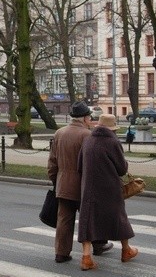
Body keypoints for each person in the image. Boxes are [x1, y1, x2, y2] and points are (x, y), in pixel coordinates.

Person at [47, 101, 113, 264]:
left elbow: (52, 161)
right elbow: (93, 163)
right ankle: (98, 246)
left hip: (63, 182)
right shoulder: (87, 135)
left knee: (64, 219)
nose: (90, 121)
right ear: (84, 118)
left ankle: (61, 253)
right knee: (92, 217)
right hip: (84, 184)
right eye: (89, 118)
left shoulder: (59, 133)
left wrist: (55, 179)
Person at [77, 114, 138, 271]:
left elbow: (79, 165)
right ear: (112, 129)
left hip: (89, 187)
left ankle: (86, 257)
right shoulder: (113, 142)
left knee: (88, 219)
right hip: (110, 188)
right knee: (118, 218)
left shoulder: (88, 140)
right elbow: (121, 169)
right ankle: (126, 251)